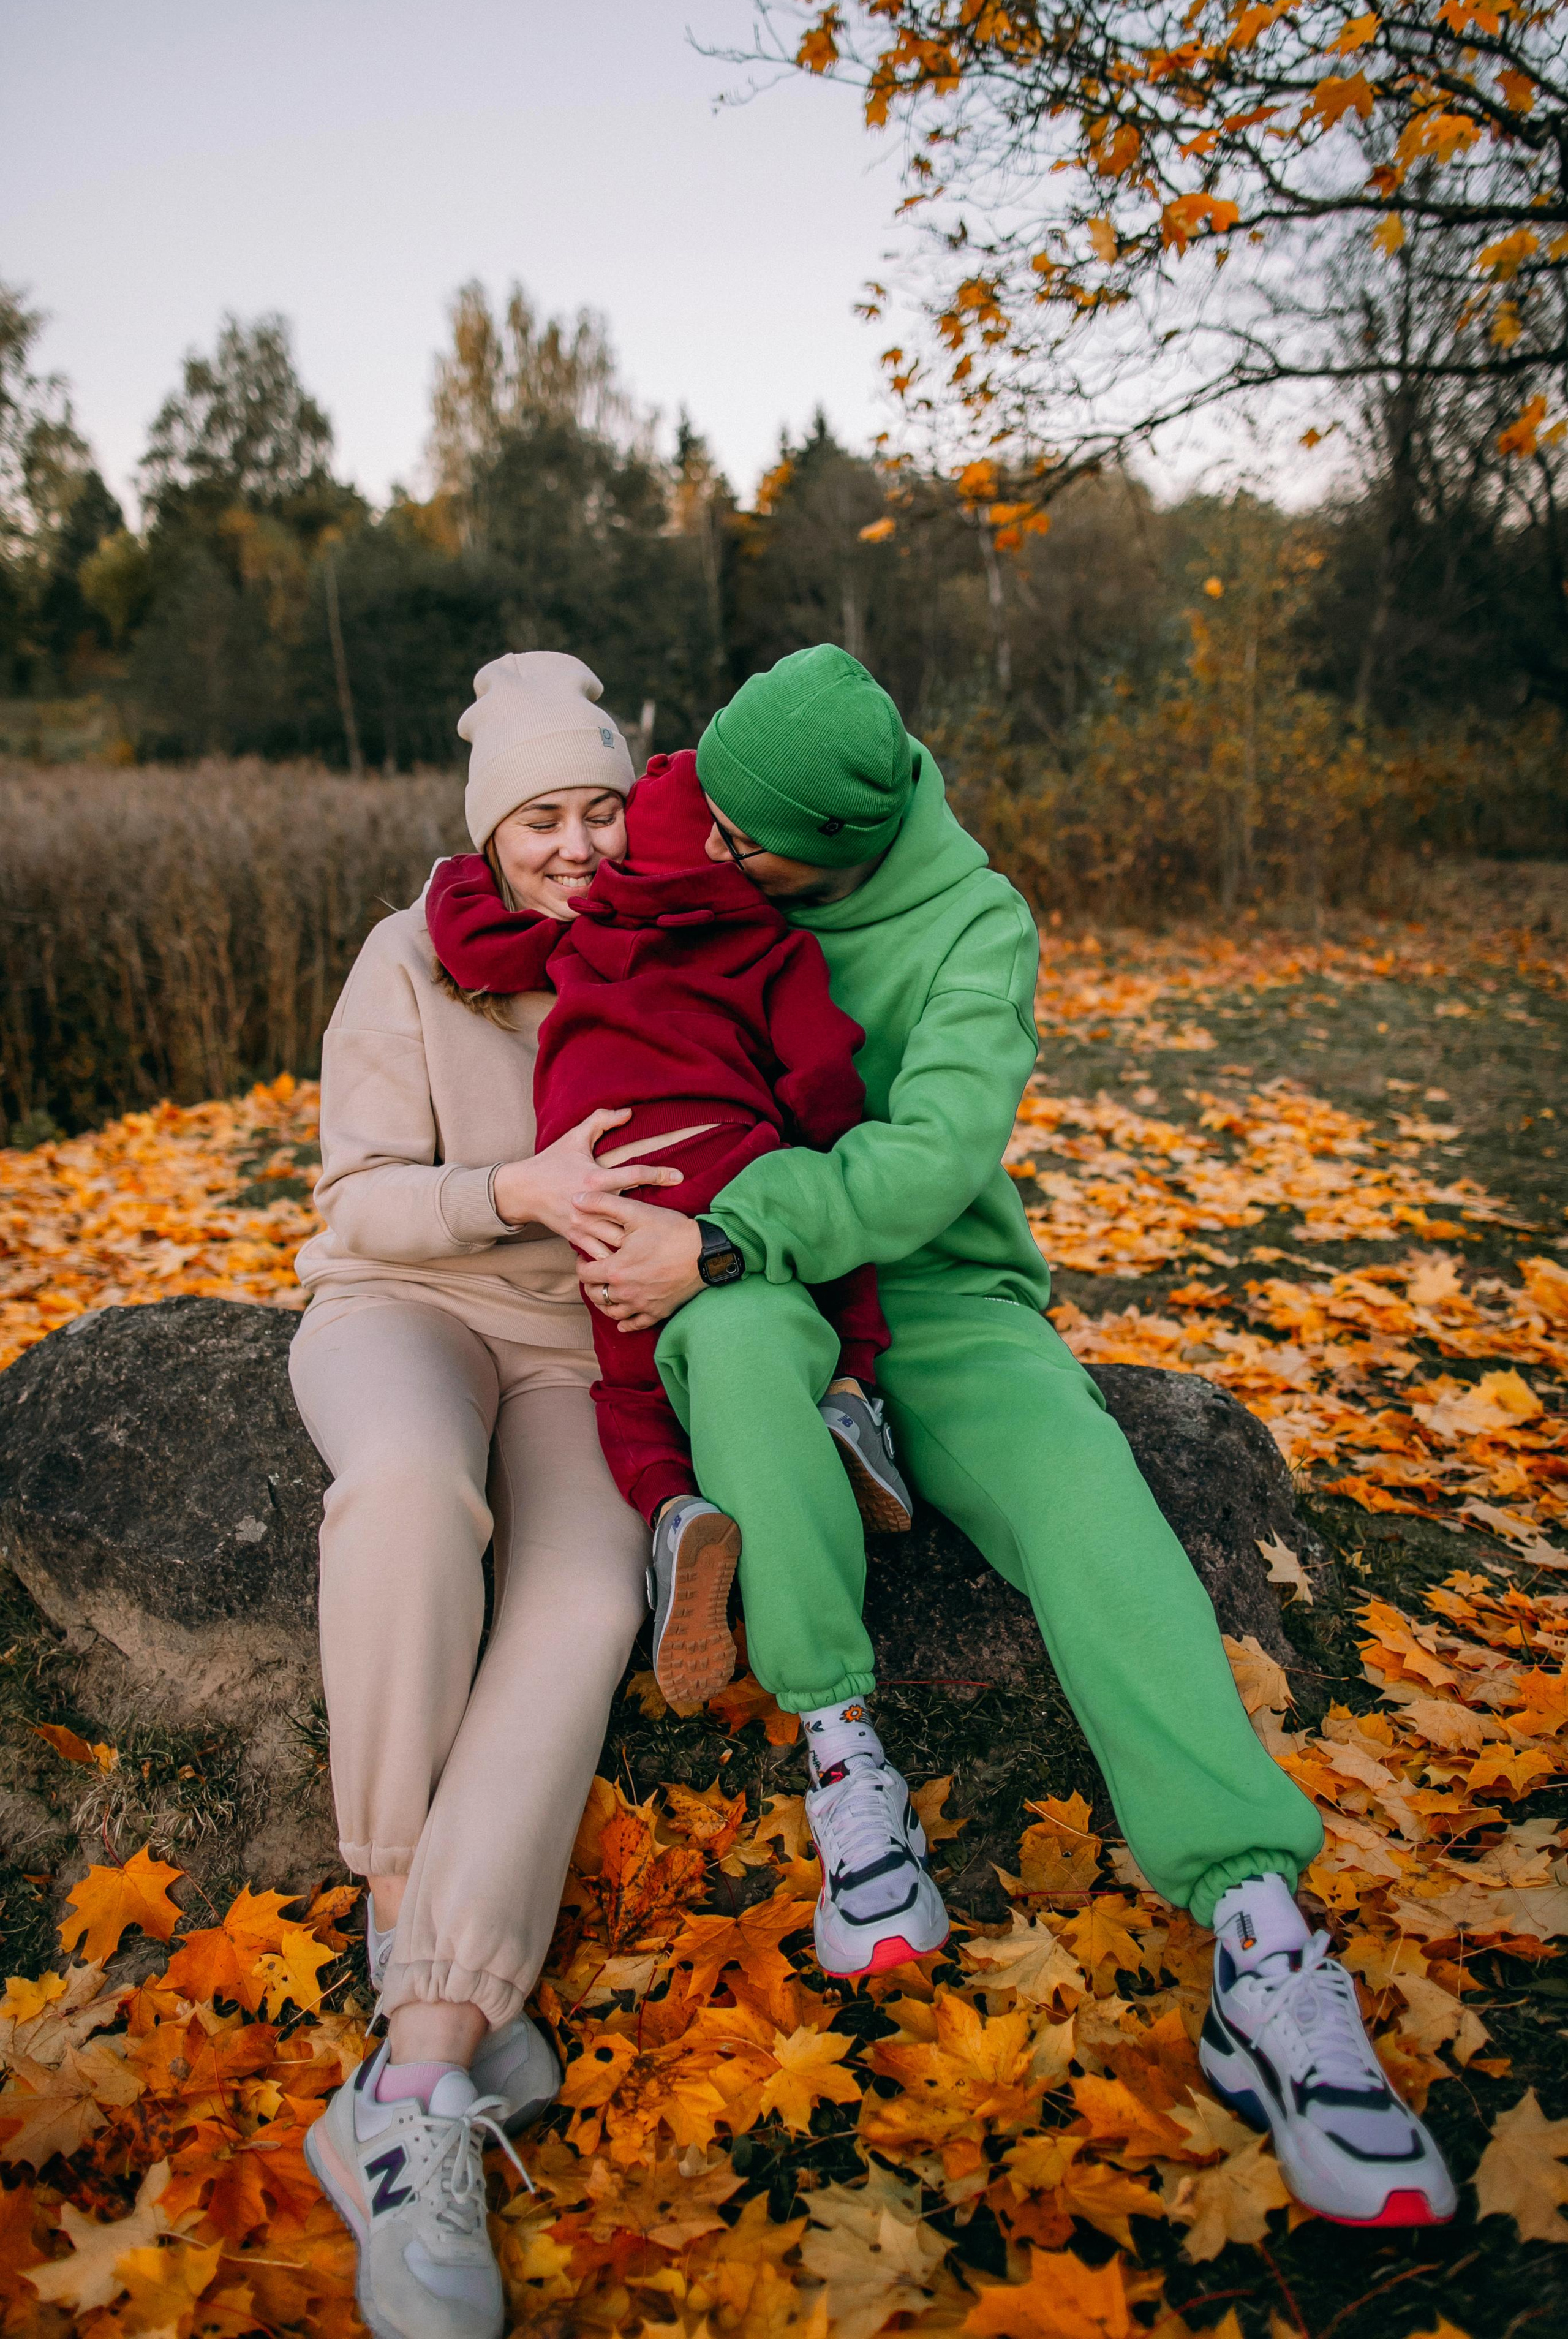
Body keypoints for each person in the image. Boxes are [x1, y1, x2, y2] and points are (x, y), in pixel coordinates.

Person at [570, 642, 1458, 2230]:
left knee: (1088, 1500)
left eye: (747, 843)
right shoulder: (704, 830)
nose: (710, 847)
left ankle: (1259, 1930)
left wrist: (728, 1225)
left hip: (934, 1295)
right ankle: (850, 1767)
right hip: (751, 1284)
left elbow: (931, 1158)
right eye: (703, 808)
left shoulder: (976, 926)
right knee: (735, 1347)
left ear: (836, 847)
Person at [290, 652, 688, 2339]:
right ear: (494, 829)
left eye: (605, 807)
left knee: (593, 1603)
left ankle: (411, 2081)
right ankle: (413, 1932)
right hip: (405, 1310)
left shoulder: (680, 950)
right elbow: (359, 1203)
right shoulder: (408, 959)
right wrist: (511, 1185)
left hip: (581, 1356)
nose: (580, 845)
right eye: (545, 817)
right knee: (400, 1492)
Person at [423, 744, 914, 1705]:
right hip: (736, 1172)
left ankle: (672, 1507)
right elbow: (822, 1083)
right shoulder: (774, 945)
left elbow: (477, 947)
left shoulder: (584, 934)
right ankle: (850, 1394)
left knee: (629, 1384)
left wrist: (453, 879)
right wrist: (828, 1148)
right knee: (823, 1239)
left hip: (609, 1195)